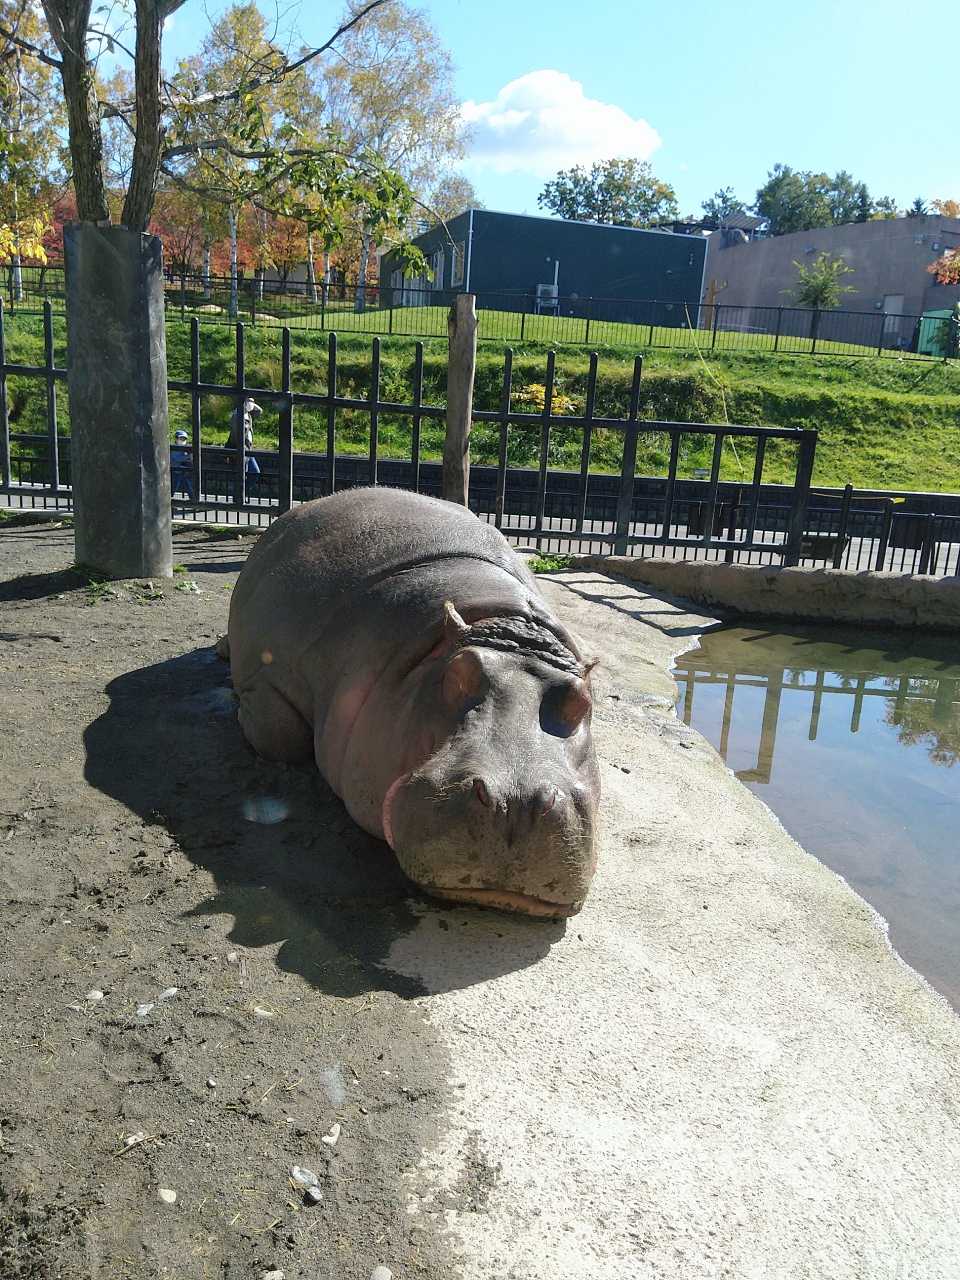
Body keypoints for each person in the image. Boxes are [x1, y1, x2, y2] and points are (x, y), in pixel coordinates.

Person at [226, 397, 263, 500]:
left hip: (248, 449)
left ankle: (243, 494)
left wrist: (252, 405)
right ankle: (237, 498)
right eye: (248, 401)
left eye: (252, 401)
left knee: (255, 473)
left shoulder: (248, 415)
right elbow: (235, 434)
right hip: (241, 449)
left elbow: (259, 411)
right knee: (242, 475)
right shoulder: (237, 416)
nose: (250, 404)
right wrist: (241, 450)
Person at [170, 430, 195, 500]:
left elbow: (183, 457)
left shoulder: (183, 448)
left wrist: (189, 459)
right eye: (181, 439)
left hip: (183, 470)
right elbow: (178, 459)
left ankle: (193, 499)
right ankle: (168, 501)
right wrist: (189, 456)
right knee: (174, 487)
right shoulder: (174, 448)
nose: (182, 440)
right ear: (176, 439)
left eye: (184, 439)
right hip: (176, 471)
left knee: (187, 486)